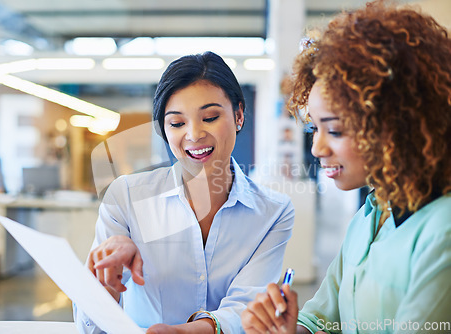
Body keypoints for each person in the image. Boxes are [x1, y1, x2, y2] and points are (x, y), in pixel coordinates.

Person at [241, 1, 451, 333]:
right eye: (314, 128)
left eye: (336, 130)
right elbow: (320, 319)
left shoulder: (442, 231)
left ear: (395, 124)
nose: (317, 148)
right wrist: (285, 328)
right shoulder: (369, 217)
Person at [73, 51, 295, 334]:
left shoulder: (273, 212)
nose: (194, 134)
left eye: (210, 117)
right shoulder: (126, 198)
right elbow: (88, 327)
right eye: (177, 123)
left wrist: (180, 332)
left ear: (239, 115)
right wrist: (105, 283)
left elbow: (247, 309)